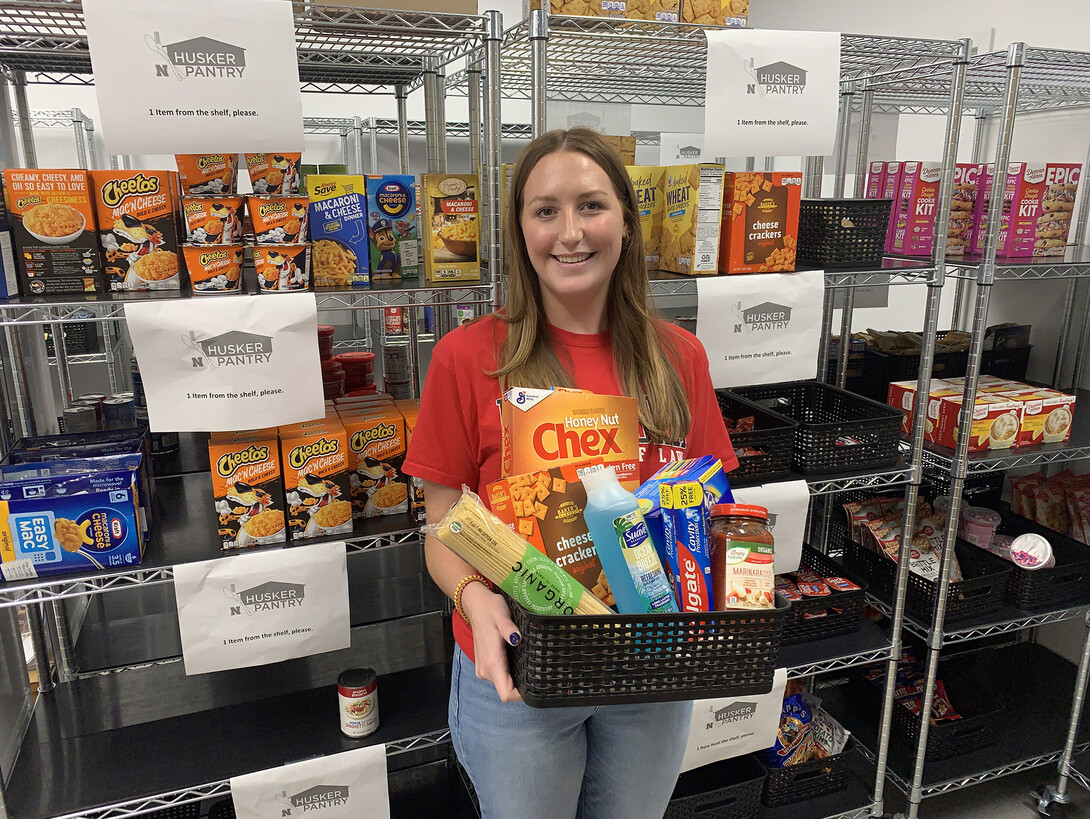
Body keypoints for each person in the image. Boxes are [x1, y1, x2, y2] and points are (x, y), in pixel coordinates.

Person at [403, 127, 738, 819]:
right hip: (522, 672)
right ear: (520, 228)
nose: (570, 232)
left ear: (625, 219)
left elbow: (715, 513)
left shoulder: (681, 357)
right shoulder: (468, 359)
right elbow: (443, 526)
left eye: (591, 205)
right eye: (544, 210)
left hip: (649, 669)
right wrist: (476, 599)